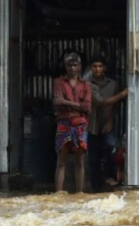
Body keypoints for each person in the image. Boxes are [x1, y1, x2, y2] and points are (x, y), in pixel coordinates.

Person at [86, 55, 128, 192]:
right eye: (94, 66)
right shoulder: (87, 83)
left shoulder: (113, 84)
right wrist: (122, 94)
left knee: (111, 148)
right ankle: (95, 188)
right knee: (93, 158)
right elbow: (101, 103)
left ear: (104, 68)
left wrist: (110, 121)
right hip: (91, 125)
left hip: (107, 124)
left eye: (100, 66)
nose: (97, 69)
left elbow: (115, 106)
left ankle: (108, 176)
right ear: (91, 68)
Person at [53, 53, 92, 193]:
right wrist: (77, 105)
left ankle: (80, 192)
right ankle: (58, 192)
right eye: (69, 65)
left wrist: (66, 102)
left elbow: (87, 107)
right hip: (64, 123)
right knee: (61, 161)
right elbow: (57, 103)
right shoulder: (59, 82)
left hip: (80, 124)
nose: (72, 68)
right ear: (65, 66)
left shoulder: (85, 85)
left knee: (80, 161)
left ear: (80, 67)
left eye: (75, 65)